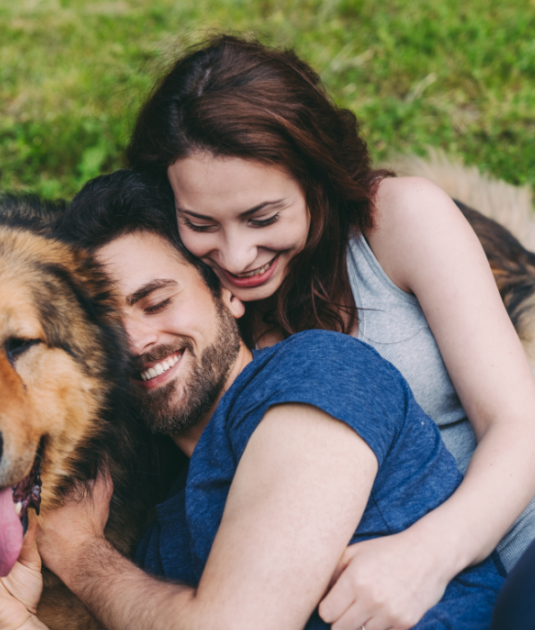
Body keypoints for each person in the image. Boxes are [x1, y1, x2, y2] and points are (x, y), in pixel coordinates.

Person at [0, 169, 504, 630]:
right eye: (104, 328)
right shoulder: (161, 543)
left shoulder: (314, 373)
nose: (137, 342)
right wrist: (13, 622)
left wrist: (78, 554)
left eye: (157, 301)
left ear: (225, 293)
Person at [122, 35, 535, 630]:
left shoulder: (398, 222)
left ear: (316, 178)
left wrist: (427, 555)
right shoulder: (195, 311)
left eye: (264, 217)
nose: (237, 255)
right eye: (201, 222)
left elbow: (517, 425)